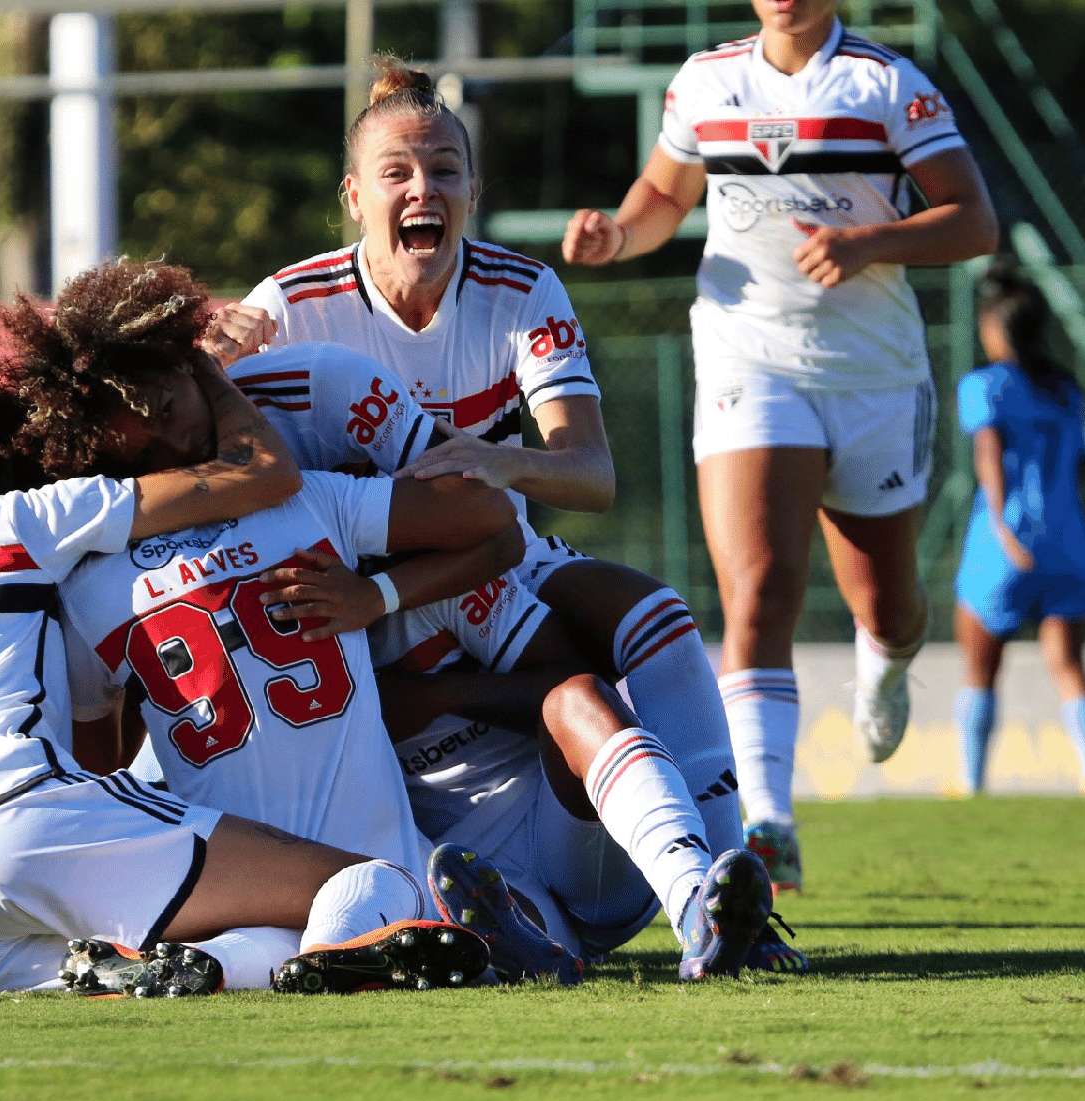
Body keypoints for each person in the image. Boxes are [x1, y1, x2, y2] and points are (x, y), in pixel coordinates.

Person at [208, 57, 762, 955]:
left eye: (446, 170)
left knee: (655, 619)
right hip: (350, 563)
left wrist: (490, 464)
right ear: (355, 196)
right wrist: (205, 350)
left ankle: (728, 891)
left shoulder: (520, 289)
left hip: (478, 550)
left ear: (474, 189)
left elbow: (591, 476)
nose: (424, 188)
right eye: (397, 172)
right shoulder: (291, 306)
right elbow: (217, 446)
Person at [562, 0, 998, 893]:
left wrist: (868, 242)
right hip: (749, 354)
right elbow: (663, 198)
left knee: (883, 601)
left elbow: (974, 221)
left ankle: (887, 662)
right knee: (757, 587)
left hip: (871, 375)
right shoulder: (707, 84)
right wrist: (618, 235)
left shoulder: (887, 86)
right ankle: (768, 820)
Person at [0, 321, 489, 999]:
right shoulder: (20, 518)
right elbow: (262, 471)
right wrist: (201, 364)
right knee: (368, 883)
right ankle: (311, 958)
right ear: (2, 452)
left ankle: (202, 967)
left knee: (138, 963)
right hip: (19, 817)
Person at [0, 262, 575, 991]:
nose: (177, 452)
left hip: (233, 883)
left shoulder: (95, 585)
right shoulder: (305, 508)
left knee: (250, 942)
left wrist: (371, 598)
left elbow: (101, 771)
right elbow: (496, 523)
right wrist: (377, 595)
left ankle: (209, 963)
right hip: (371, 862)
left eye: (170, 411)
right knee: (437, 901)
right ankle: (336, 957)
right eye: (147, 453)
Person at [224, 338, 779, 981]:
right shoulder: (254, 612)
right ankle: (525, 954)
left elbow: (572, 679)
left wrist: (441, 695)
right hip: (461, 872)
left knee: (578, 697)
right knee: (439, 892)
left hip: (576, 842)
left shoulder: (433, 579)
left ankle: (694, 908)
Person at [952, 262, 1085, 797]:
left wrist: (1001, 524)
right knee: (1067, 661)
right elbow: (1079, 465)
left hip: (1004, 540)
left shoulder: (984, 385)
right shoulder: (1067, 392)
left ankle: (970, 782)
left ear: (996, 328)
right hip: (1067, 539)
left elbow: (988, 453)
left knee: (980, 666)